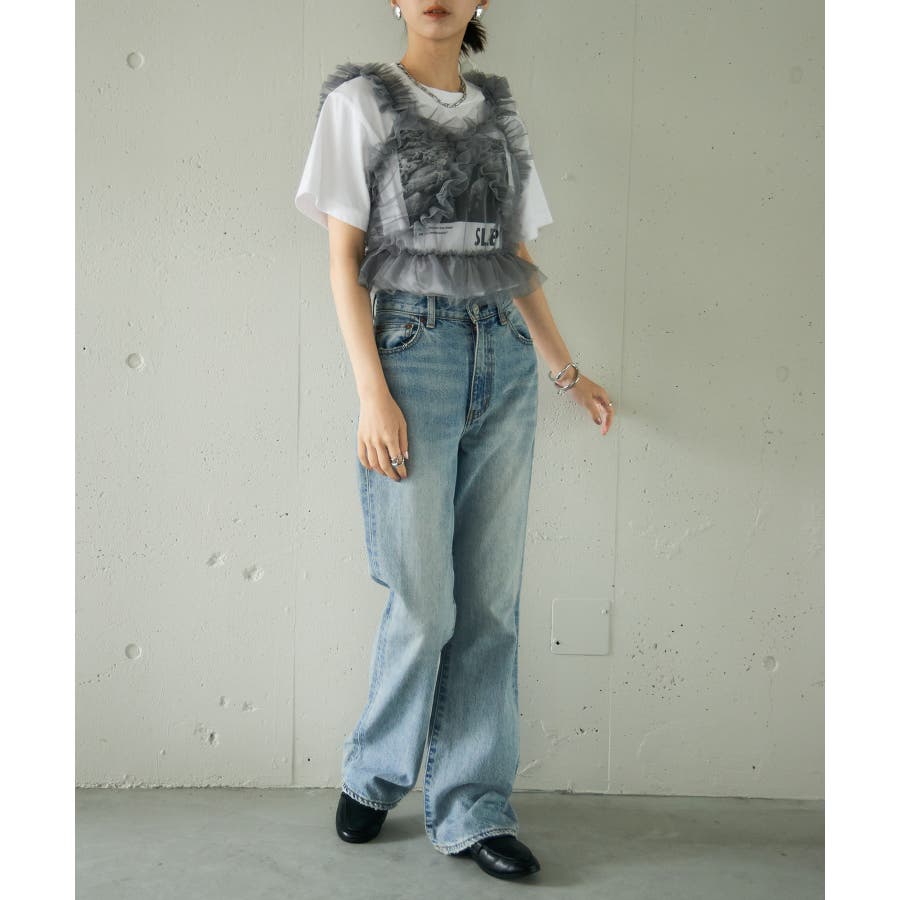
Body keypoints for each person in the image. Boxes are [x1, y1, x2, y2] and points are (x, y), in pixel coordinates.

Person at [293, 0, 614, 881]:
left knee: (491, 606)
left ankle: (473, 807)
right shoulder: (358, 102)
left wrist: (565, 370)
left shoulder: (498, 112)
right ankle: (376, 768)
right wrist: (373, 394)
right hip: (412, 355)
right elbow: (343, 261)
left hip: (502, 360)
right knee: (425, 601)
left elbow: (515, 258)